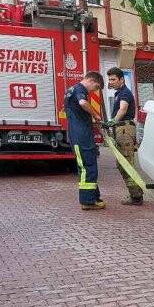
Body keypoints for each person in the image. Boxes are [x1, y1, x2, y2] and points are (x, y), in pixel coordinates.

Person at [64, 71, 105, 210]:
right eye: (96, 87)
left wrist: (90, 121)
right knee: (87, 168)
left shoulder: (71, 90)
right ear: (92, 81)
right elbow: (82, 103)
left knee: (89, 167)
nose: (94, 90)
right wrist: (95, 115)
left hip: (79, 134)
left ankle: (93, 197)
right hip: (81, 137)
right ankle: (87, 202)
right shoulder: (80, 90)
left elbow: (77, 113)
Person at [105, 67, 142, 205]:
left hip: (124, 129)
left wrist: (113, 121)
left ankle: (136, 196)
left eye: (113, 79)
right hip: (121, 129)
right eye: (109, 79)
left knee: (126, 163)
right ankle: (136, 193)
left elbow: (123, 109)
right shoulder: (119, 93)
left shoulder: (125, 93)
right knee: (122, 164)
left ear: (121, 79)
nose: (111, 82)